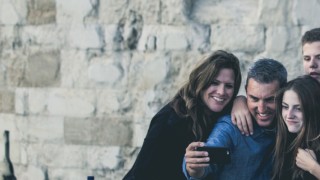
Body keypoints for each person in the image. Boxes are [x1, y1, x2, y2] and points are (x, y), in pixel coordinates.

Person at [123, 50, 242, 180]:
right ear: (201, 81)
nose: (221, 92)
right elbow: (141, 173)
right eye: (214, 83)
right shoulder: (170, 120)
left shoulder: (224, 113)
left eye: (229, 86)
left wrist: (240, 101)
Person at [183, 59, 287, 179]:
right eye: (254, 98)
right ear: (246, 91)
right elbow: (209, 158)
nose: (261, 109)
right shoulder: (231, 126)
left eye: (270, 100)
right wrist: (194, 167)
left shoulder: (289, 122)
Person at [232, 27, 320, 136]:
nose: (312, 64)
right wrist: (239, 101)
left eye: (319, 57)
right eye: (307, 58)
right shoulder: (299, 91)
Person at [272, 75, 320, 180]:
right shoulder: (284, 136)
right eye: (285, 107)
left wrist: (314, 168)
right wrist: (239, 101)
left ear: (314, 110)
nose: (289, 115)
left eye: (298, 108)